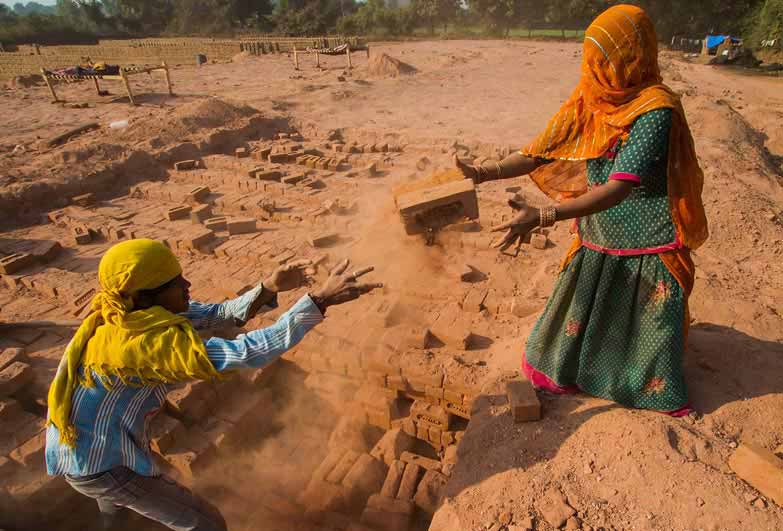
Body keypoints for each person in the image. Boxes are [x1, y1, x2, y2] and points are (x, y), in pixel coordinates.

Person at [455, 4, 708, 416]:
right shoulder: (591, 97)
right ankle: (576, 372)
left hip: (648, 237)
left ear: (631, 58)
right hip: (599, 234)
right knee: (571, 326)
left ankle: (642, 389)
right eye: (590, 57)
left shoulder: (655, 110)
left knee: (646, 335)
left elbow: (617, 188)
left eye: (603, 59)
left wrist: (543, 216)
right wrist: (482, 173)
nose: (593, 68)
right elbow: (540, 151)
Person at [45, 238, 382, 530]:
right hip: (100, 463)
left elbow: (218, 315)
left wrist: (267, 287)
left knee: (114, 509)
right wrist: (319, 300)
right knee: (205, 523)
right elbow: (246, 351)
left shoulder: (133, 314)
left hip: (90, 446)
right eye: (177, 283)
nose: (188, 285)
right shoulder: (139, 346)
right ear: (146, 296)